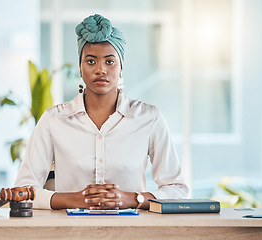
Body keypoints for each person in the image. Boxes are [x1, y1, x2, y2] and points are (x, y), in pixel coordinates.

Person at [15, 14, 188, 210]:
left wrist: (133, 199)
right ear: (80, 68)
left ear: (121, 67)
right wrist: (75, 199)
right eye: (90, 61)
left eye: (109, 61)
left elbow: (178, 190)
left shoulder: (149, 118)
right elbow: (23, 190)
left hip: (133, 231)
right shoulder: (54, 119)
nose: (100, 70)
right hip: (67, 232)